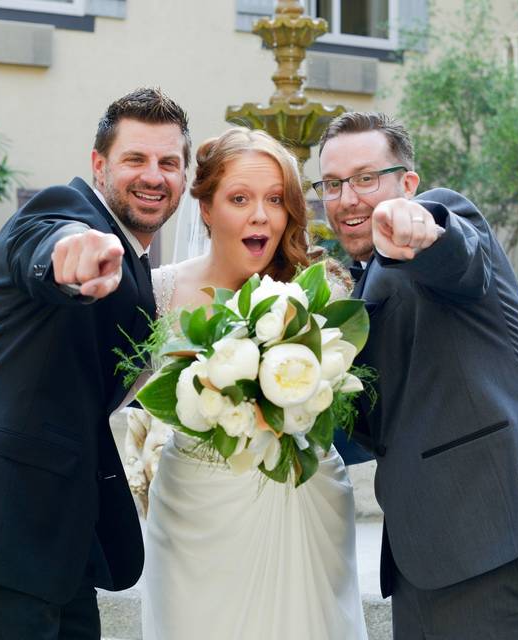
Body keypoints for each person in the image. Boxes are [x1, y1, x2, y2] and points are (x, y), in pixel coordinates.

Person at [0, 87, 191, 640]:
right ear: (99, 165)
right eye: (135, 159)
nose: (154, 175)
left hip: (58, 541)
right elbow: (47, 242)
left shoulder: (142, 263)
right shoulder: (65, 211)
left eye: (169, 162)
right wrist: (72, 257)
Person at [317, 112, 518, 639]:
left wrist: (418, 225)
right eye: (333, 184)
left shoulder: (435, 219)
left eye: (365, 178)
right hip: (430, 553)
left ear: (408, 183)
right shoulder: (356, 286)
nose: (348, 198)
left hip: (498, 538)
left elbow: (455, 253)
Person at [139, 127, 368, 640]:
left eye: (275, 200)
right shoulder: (160, 291)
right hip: (193, 513)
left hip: (299, 502)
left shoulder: (322, 289)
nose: (260, 215)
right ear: (206, 209)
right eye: (239, 199)